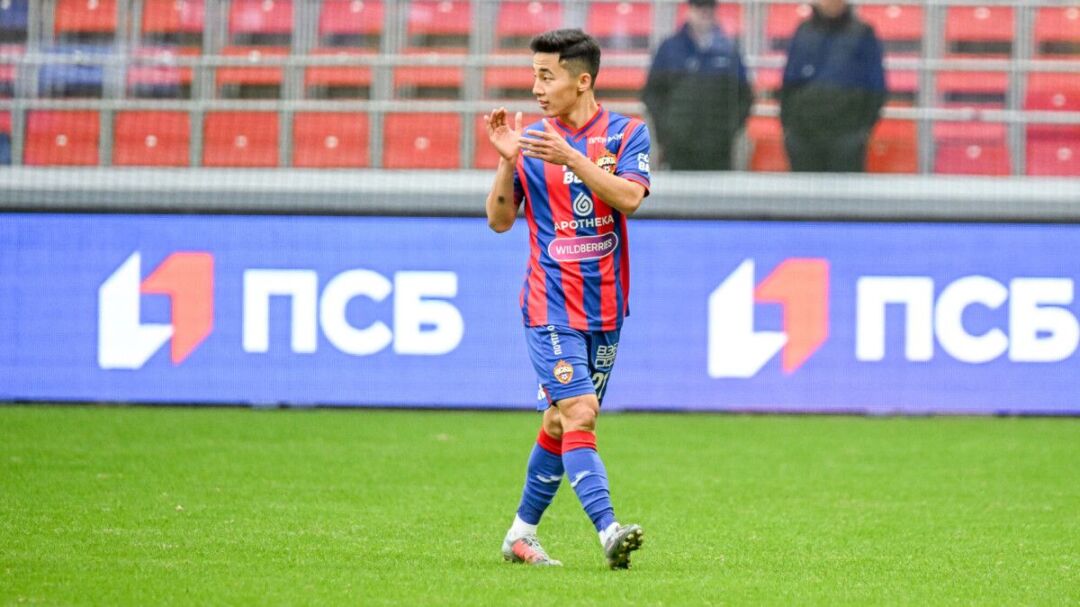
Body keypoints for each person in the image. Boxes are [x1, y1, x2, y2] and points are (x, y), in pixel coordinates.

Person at [483, 28, 651, 569]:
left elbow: (630, 198)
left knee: (560, 423)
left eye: (546, 76)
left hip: (606, 307)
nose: (536, 87)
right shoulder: (531, 142)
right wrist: (507, 161)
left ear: (582, 81)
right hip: (549, 304)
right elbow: (499, 221)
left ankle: (519, 535)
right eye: (534, 75)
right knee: (581, 411)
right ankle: (609, 532)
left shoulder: (627, 134)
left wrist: (572, 158)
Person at [642, 0, 752, 170]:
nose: (705, 12)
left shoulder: (729, 50)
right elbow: (652, 95)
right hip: (678, 149)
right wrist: (667, 132)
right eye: (699, 6)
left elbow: (744, 96)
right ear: (689, 9)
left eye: (710, 6)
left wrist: (728, 132)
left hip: (719, 151)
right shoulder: (670, 49)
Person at [779, 0, 886, 172]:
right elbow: (789, 83)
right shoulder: (803, 32)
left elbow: (876, 87)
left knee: (845, 188)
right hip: (804, 137)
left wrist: (860, 133)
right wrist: (790, 130)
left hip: (846, 137)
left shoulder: (863, 33)